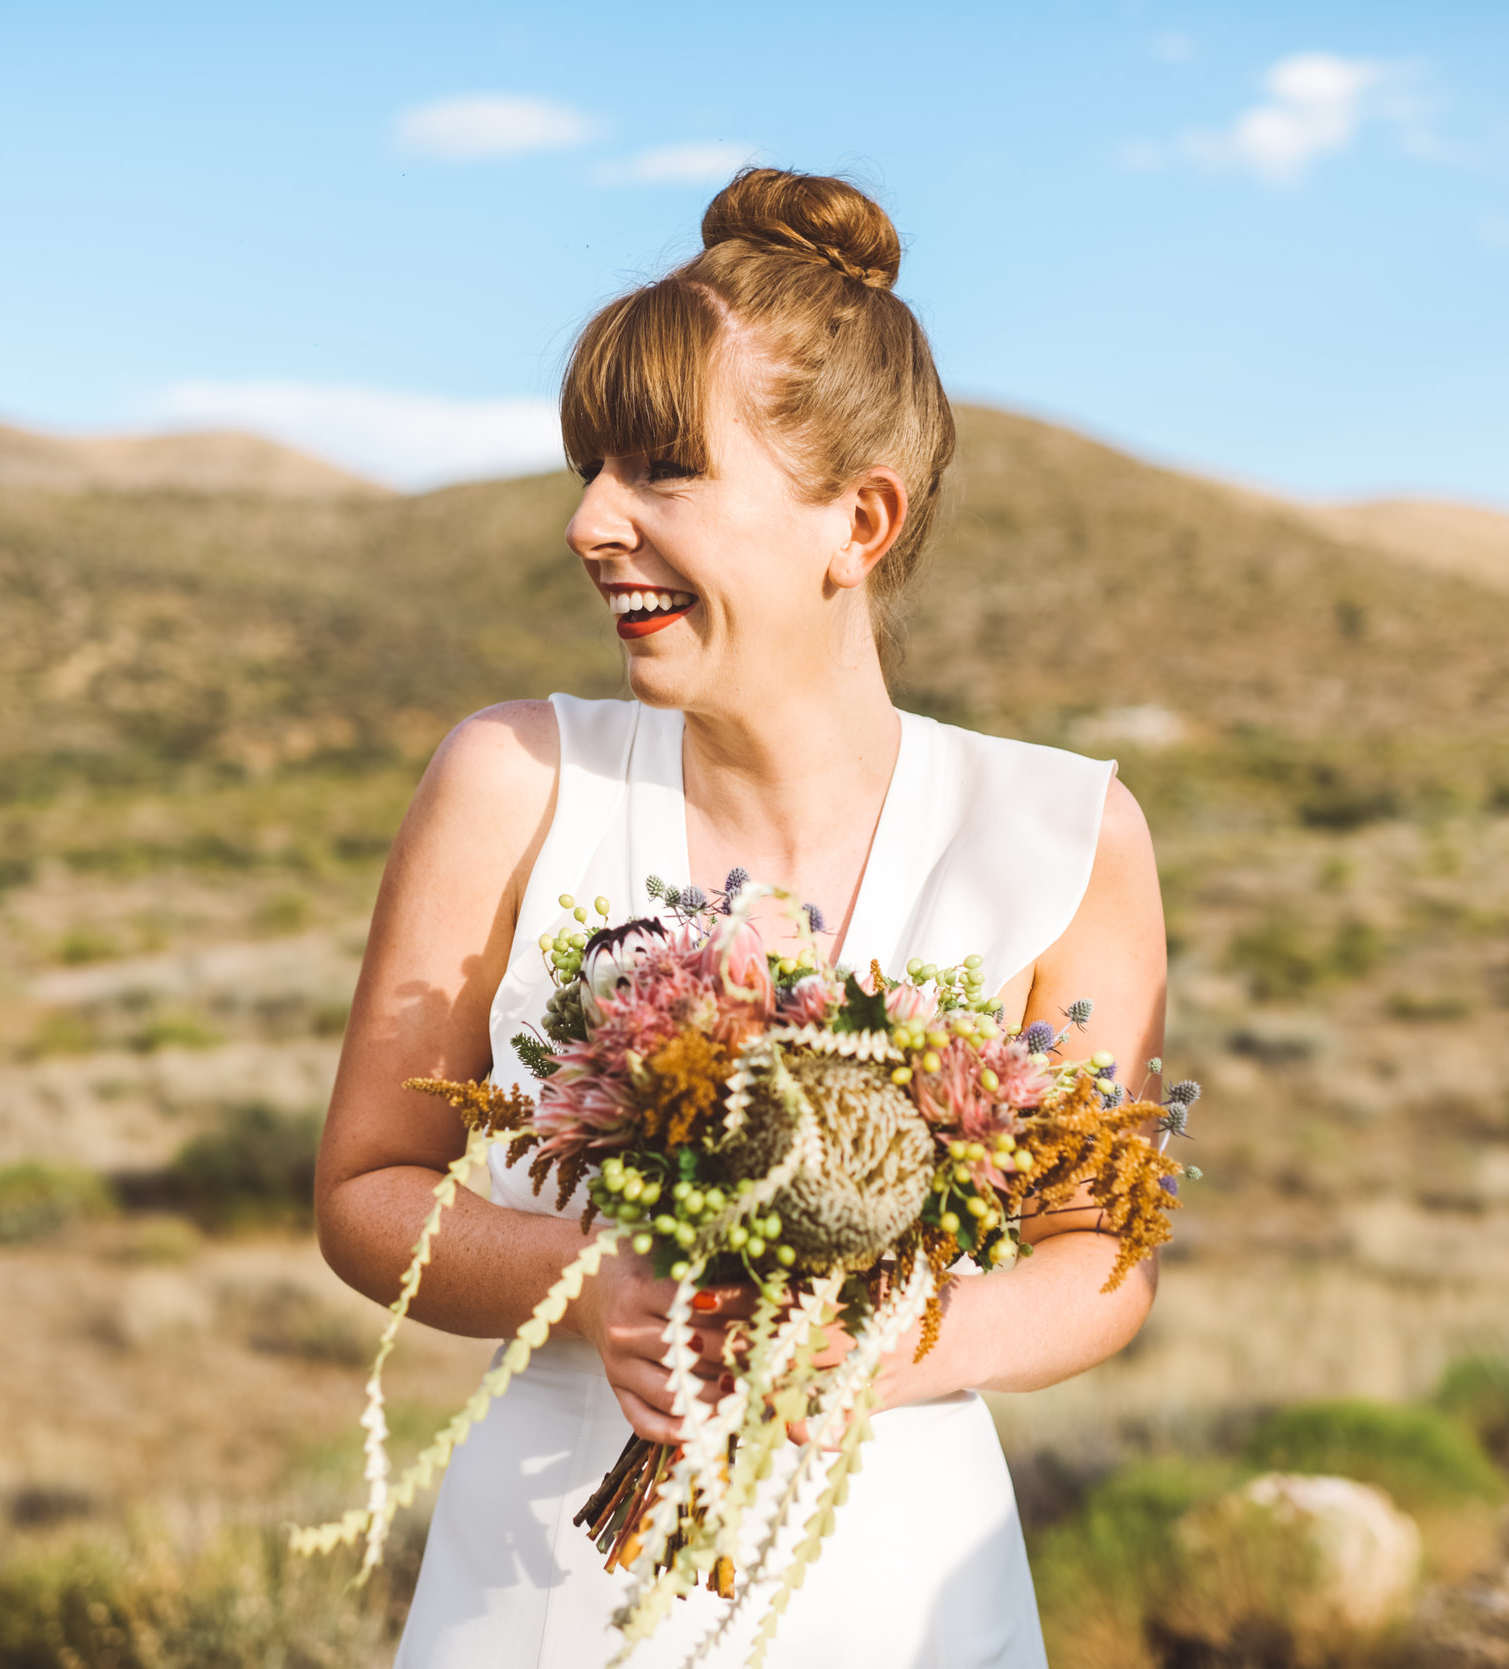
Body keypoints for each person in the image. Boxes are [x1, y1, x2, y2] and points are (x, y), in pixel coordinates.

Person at [316, 168, 1168, 1668]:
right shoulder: (510, 779)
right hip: (545, 1581)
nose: (591, 522)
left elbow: (1100, 1259)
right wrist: (584, 1292)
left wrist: (897, 1343)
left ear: (859, 519)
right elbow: (368, 1188)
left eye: (661, 470)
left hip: (896, 1591)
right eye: (591, 468)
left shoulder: (1063, 833)